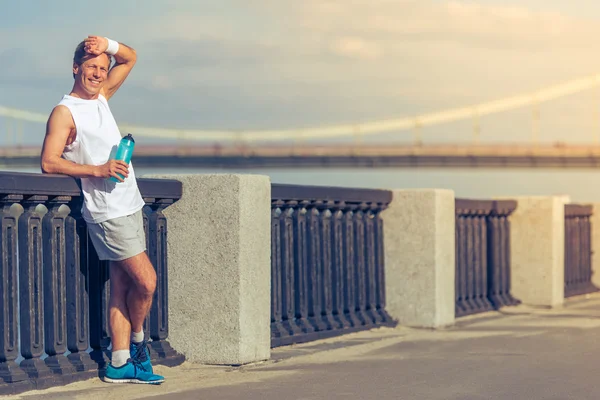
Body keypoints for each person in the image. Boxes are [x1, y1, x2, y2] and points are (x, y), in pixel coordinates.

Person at [40, 35, 164, 385]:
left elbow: (131, 57)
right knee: (147, 282)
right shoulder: (65, 112)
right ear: (75, 68)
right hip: (107, 211)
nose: (97, 73)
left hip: (130, 203)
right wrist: (98, 169)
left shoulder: (102, 98)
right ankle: (140, 342)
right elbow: (48, 163)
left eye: (102, 68)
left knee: (122, 287)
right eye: (91, 67)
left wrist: (106, 44)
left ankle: (120, 362)